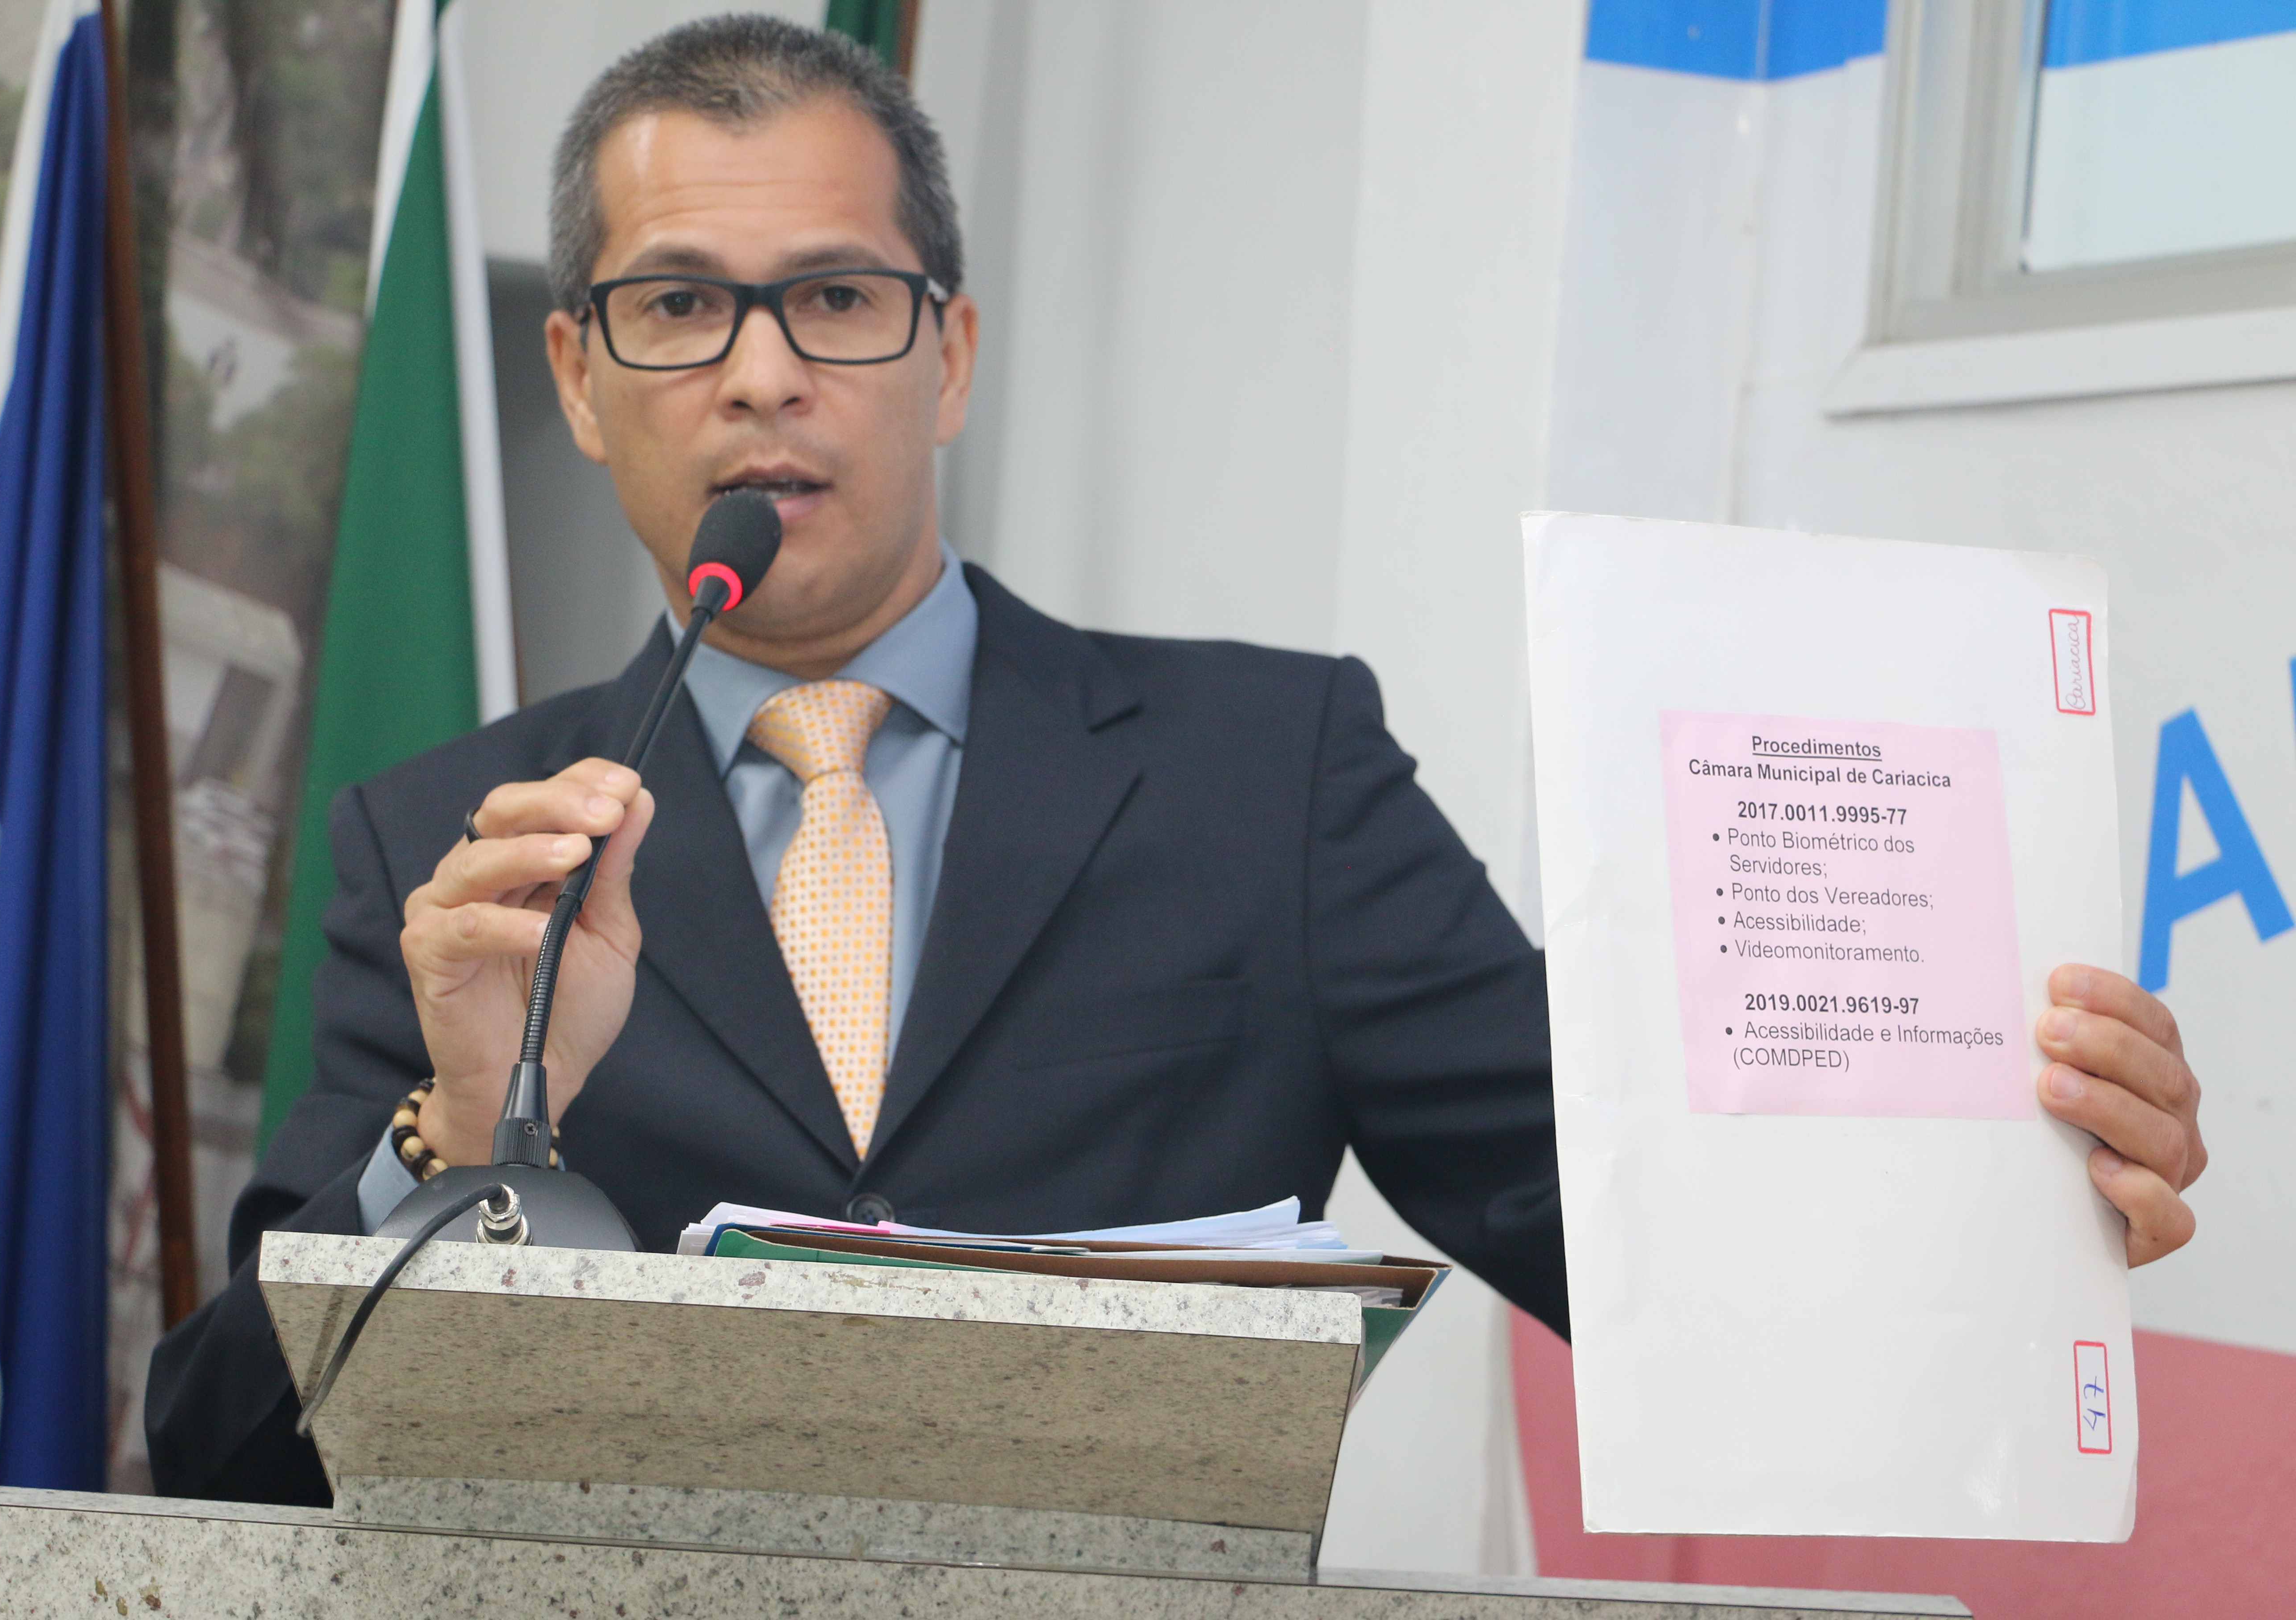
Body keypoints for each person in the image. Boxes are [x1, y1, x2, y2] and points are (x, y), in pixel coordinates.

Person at [146, 15, 2206, 1505]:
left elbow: (1622, 1229)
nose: (763, 373)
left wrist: (2000, 1199)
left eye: (838, 298)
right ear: (582, 379)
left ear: (950, 353)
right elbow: (228, 1452)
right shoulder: (457, 846)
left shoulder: (1268, 773)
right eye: (680, 306)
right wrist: (466, 1121)